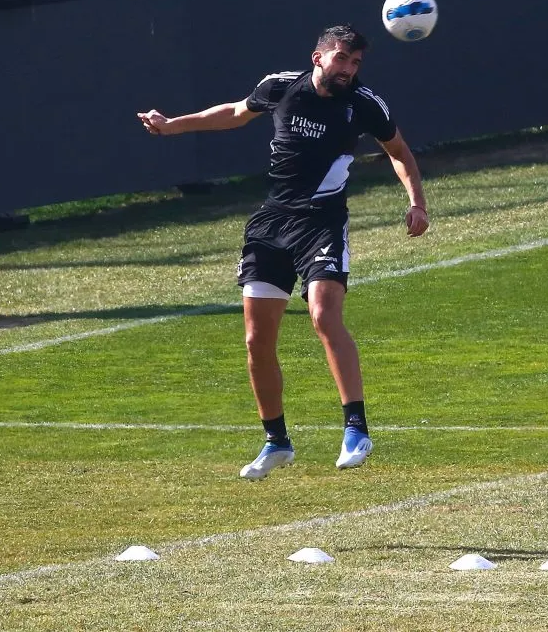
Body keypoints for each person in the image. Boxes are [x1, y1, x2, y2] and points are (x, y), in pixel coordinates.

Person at [137, 24, 429, 480]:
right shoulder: (279, 87)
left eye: (355, 63)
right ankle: (276, 440)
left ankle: (356, 428)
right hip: (271, 224)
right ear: (319, 58)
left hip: (322, 223)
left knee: (323, 316)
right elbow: (234, 112)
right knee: (256, 339)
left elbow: (399, 151)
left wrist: (416, 202)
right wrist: (173, 125)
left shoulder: (365, 104)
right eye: (342, 60)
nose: (349, 70)